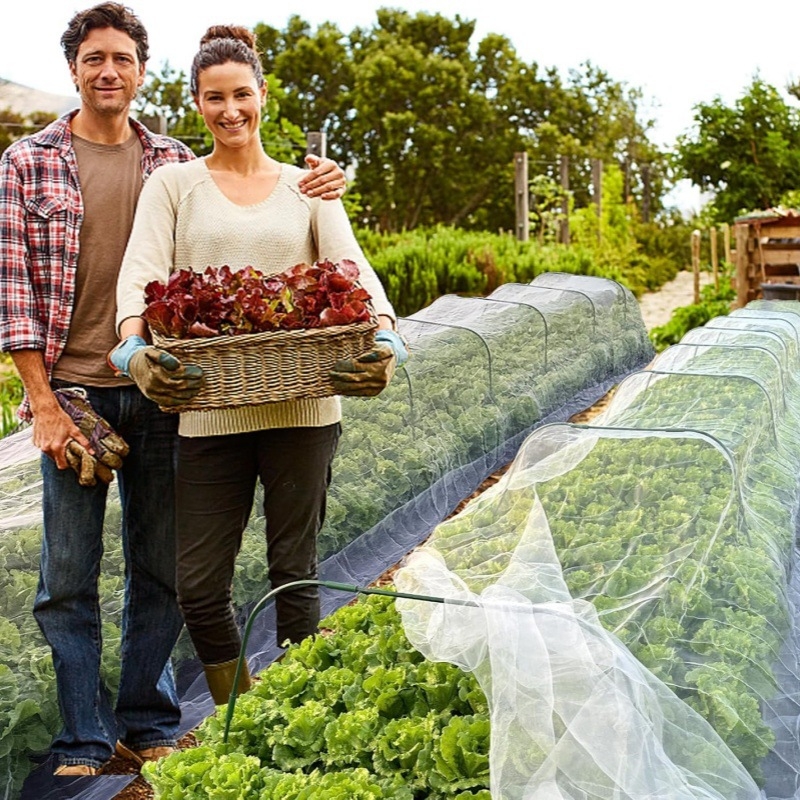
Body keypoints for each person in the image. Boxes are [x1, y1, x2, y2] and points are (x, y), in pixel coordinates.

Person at [0, 2, 346, 777]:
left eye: (122, 58)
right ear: (74, 69)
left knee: (161, 568)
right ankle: (84, 739)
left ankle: (149, 724)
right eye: (94, 59)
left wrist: (324, 178)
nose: (108, 71)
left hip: (164, 391)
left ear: (143, 72)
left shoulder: (171, 160)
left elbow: (249, 189)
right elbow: (13, 292)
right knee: (67, 579)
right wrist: (44, 405)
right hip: (76, 393)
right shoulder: (29, 160)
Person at [111, 24, 407, 706]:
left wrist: (386, 342)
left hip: (305, 407)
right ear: (197, 103)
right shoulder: (173, 185)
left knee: (293, 572)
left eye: (241, 94)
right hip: (210, 409)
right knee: (200, 585)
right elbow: (140, 279)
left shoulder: (307, 186)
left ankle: (302, 710)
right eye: (214, 98)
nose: (230, 110)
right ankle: (241, 714)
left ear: (263, 95)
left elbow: (356, 275)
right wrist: (134, 351)